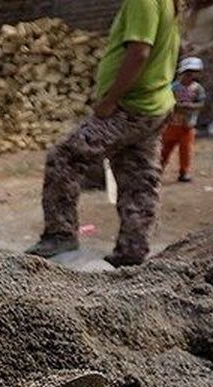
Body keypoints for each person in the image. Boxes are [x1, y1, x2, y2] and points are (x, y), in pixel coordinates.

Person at [27, 0, 179, 267]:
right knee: (139, 178)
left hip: (129, 106)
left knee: (64, 157)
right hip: (154, 105)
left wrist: (111, 99)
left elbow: (139, 52)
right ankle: (132, 252)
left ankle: (60, 235)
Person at [161, 57, 207, 182]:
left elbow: (201, 104)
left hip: (188, 126)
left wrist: (190, 107)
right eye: (188, 73)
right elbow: (167, 103)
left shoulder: (197, 89)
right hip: (172, 125)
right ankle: (158, 171)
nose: (190, 76)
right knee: (165, 149)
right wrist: (177, 106)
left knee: (186, 150)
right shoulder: (173, 88)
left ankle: (184, 172)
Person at [182, 0, 213, 119]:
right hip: (187, 56)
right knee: (184, 89)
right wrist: (184, 44)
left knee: (205, 89)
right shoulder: (188, 12)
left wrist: (203, 48)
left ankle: (204, 120)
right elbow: (181, 33)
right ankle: (185, 121)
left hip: (206, 57)